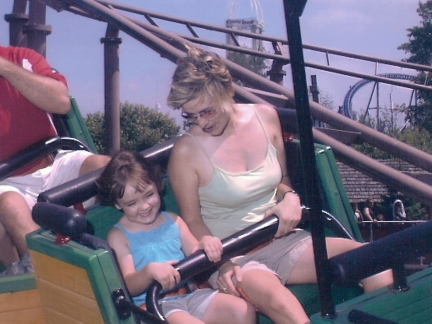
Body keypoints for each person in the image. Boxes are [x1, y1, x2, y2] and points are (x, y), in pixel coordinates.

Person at [166, 45, 393, 324]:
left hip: (283, 240)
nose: (201, 122)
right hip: (233, 257)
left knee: (374, 263)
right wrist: (221, 263)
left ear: (226, 91)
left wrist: (290, 199)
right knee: (284, 305)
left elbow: (282, 182)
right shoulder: (186, 152)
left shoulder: (266, 118)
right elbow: (192, 222)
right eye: (191, 116)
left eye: (208, 112)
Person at [96, 151, 256, 324]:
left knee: (242, 310)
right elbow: (129, 285)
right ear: (117, 204)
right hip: (154, 306)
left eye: (149, 195)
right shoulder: (119, 236)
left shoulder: (173, 220)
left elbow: (196, 254)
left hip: (190, 295)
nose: (144, 206)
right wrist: (150, 272)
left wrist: (206, 244)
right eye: (132, 203)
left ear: (157, 186)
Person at [0, 45, 110, 276]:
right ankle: (51, 276)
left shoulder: (20, 58)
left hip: (55, 163)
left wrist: (6, 68)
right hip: (9, 183)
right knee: (10, 205)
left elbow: (61, 102)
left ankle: (127, 247)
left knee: (109, 170)